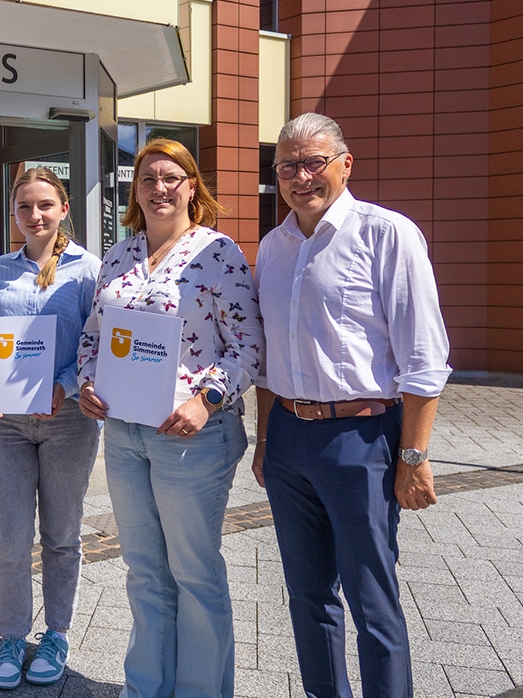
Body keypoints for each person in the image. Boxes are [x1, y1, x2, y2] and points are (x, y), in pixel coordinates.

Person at [251, 112, 451, 698]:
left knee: (372, 597)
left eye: (315, 162)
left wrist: (413, 454)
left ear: (345, 163)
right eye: (288, 165)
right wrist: (266, 443)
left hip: (362, 439)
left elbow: (424, 357)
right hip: (289, 435)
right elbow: (266, 360)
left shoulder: (387, 234)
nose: (301, 176)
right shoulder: (273, 245)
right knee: (307, 594)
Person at [77, 138, 263, 698]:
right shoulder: (118, 255)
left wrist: (205, 400)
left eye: (171, 177)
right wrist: (88, 380)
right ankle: (146, 690)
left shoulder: (218, 252)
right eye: (148, 178)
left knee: (194, 573)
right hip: (125, 433)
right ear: (135, 189)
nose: (160, 188)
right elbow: (93, 336)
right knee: (144, 572)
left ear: (191, 186)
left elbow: (249, 346)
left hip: (190, 437)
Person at [0, 167, 102, 690]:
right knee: (8, 536)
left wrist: (64, 385)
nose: (35, 215)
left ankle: (56, 632)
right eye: (25, 207)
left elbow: (96, 340)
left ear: (63, 209)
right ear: (15, 214)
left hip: (67, 421)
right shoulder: (0, 269)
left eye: (45, 205)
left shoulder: (88, 269)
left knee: (61, 537)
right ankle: (11, 635)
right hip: (7, 425)